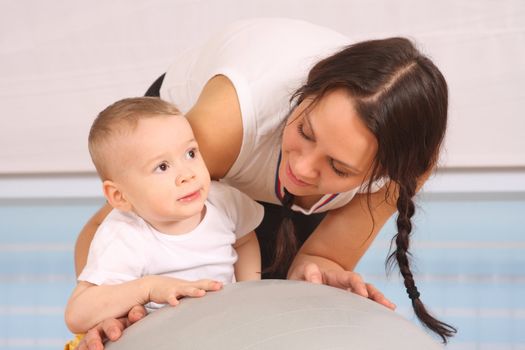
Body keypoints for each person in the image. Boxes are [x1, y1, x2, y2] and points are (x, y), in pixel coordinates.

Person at [73, 18, 456, 348]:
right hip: (235, 140)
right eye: (305, 131)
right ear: (303, 95)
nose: (303, 170)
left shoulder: (404, 169)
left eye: (339, 168)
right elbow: (105, 231)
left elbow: (320, 259)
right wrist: (108, 313)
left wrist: (319, 271)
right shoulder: (205, 142)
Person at [65, 97, 264, 335]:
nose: (187, 175)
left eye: (190, 153)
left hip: (222, 330)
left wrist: (250, 291)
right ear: (120, 196)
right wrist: (148, 289)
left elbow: (244, 239)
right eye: (162, 167)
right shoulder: (125, 236)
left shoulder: (224, 202)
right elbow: (77, 315)